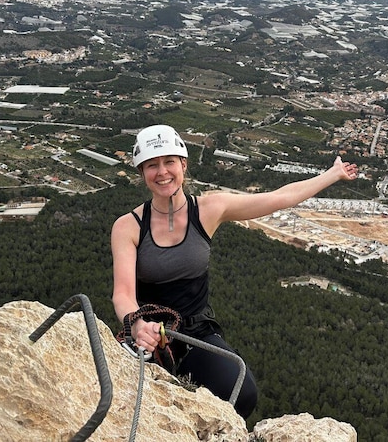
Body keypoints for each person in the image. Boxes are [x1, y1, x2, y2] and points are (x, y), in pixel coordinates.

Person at [111, 124, 359, 418]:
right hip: (149, 334)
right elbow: (123, 294)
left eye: (169, 162)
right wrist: (138, 324)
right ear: (142, 173)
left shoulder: (210, 209)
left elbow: (278, 198)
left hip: (197, 330)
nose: (162, 172)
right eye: (152, 165)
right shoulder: (128, 227)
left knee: (242, 394)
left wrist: (332, 174)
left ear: (183, 165)